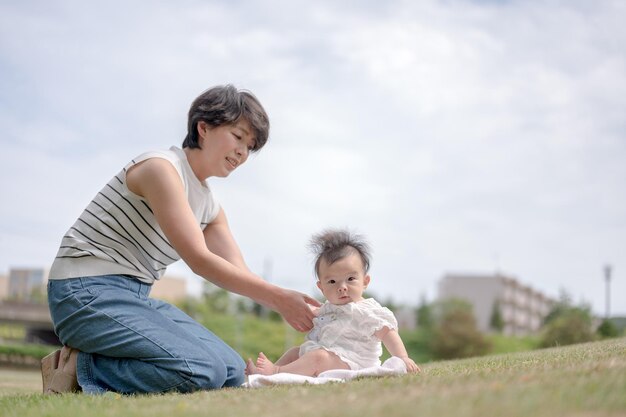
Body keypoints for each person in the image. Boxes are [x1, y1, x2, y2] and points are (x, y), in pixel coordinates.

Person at [42, 85, 321, 395]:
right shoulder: (161, 169)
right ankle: (81, 368)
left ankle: (96, 363)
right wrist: (278, 298)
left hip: (134, 297)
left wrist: (300, 307)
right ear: (203, 127)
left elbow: (241, 274)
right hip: (83, 291)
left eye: (250, 146)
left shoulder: (210, 208)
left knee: (231, 372)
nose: (243, 152)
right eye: (238, 137)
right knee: (202, 371)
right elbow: (199, 259)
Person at [246, 229, 420, 377]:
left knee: (318, 357)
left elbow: (388, 333)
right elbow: (313, 315)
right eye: (332, 282)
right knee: (296, 352)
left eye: (350, 279)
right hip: (329, 355)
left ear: (365, 282)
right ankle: (264, 373)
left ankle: (276, 371)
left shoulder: (367, 311)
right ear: (321, 287)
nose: (342, 287)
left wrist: (402, 357)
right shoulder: (328, 308)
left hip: (354, 362)